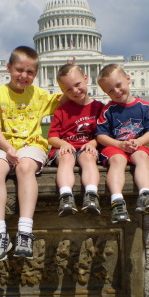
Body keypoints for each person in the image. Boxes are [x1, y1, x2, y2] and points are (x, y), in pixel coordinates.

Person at [0, 46, 66, 262]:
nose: (24, 76)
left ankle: (25, 231)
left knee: (25, 166)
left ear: (35, 74)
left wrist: (75, 78)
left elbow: (65, 98)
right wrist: (7, 149)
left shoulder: (39, 94)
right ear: (8, 68)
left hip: (32, 144)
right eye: (19, 70)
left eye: (30, 72)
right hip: (4, 145)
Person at [95, 64, 149, 223]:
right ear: (106, 93)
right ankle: (117, 201)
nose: (116, 91)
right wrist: (118, 145)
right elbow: (100, 136)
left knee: (142, 156)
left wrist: (139, 141)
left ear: (127, 79)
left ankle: (145, 195)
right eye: (110, 90)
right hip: (114, 147)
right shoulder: (108, 110)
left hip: (136, 146)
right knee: (118, 160)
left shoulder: (144, 106)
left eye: (118, 85)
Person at [47, 64, 104, 217]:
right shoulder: (62, 110)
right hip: (65, 148)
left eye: (77, 84)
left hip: (87, 148)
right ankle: (66, 196)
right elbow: (52, 137)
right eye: (68, 89)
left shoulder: (99, 108)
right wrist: (63, 144)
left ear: (85, 79)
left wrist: (93, 143)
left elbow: (104, 134)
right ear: (63, 91)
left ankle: (91, 195)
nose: (75, 91)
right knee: (66, 158)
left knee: (88, 157)